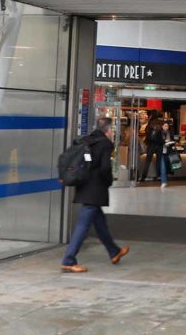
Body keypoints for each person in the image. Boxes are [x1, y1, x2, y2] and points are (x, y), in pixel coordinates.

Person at [62, 118, 129, 273]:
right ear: (108, 130)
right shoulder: (105, 144)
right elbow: (105, 168)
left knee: (100, 223)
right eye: (112, 130)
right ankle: (68, 260)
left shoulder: (88, 140)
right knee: (82, 226)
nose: (113, 133)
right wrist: (108, 181)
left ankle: (114, 251)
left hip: (84, 186)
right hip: (95, 189)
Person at [137, 108, 164, 182]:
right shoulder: (161, 122)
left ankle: (143, 177)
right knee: (159, 161)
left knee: (148, 161)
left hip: (151, 144)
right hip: (159, 144)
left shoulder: (150, 122)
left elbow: (146, 131)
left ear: (151, 115)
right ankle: (159, 176)